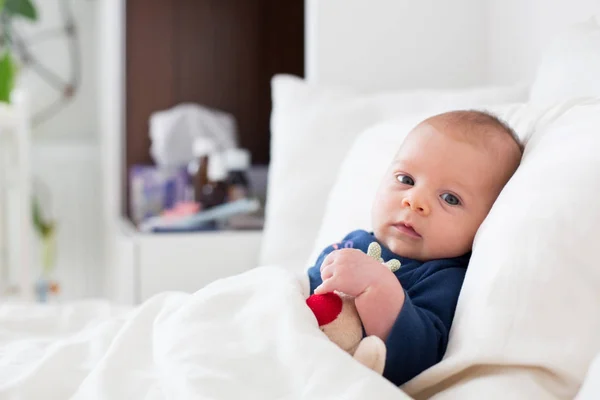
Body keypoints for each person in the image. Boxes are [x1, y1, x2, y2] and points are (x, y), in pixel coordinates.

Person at [308, 110, 524, 386]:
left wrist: (379, 288)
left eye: (450, 198)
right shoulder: (355, 241)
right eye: (406, 180)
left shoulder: (446, 279)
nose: (415, 200)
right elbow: (305, 292)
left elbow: (416, 359)